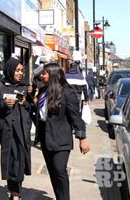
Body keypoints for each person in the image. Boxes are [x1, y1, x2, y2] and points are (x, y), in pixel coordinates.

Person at [35, 62, 90, 200]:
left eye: (44, 73)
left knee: (59, 169)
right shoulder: (43, 91)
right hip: (45, 137)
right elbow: (40, 114)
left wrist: (82, 138)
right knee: (52, 171)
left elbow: (75, 117)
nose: (41, 76)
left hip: (61, 138)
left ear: (53, 74)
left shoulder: (67, 92)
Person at [0, 57, 32, 200]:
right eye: (17, 70)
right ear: (10, 70)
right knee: (13, 159)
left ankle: (15, 193)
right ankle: (15, 194)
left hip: (22, 130)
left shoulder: (25, 87)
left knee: (20, 159)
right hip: (6, 130)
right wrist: (3, 104)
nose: (20, 73)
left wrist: (25, 103)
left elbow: (32, 109)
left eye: (22, 71)